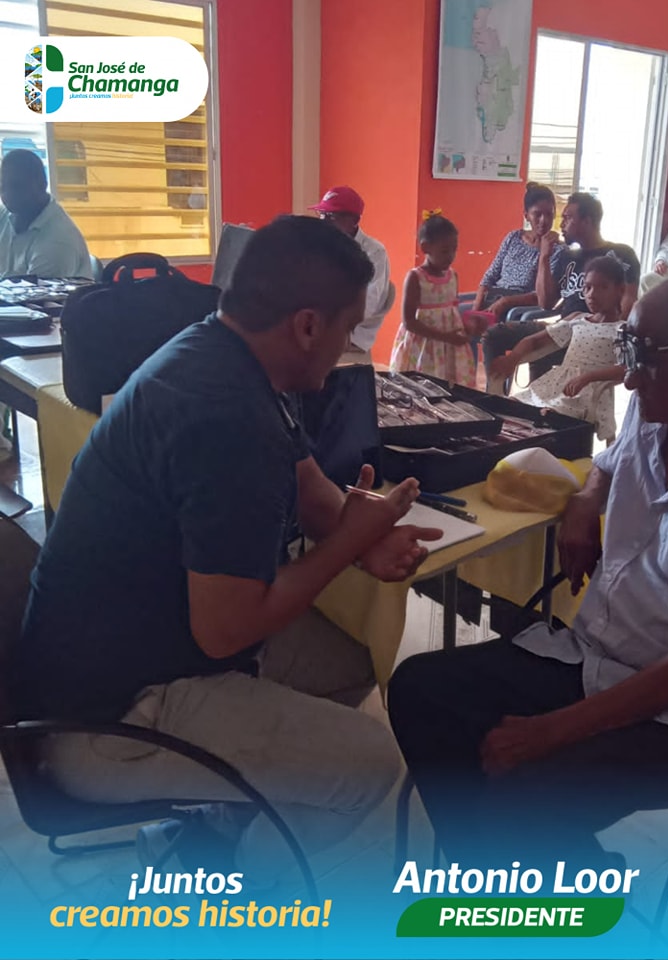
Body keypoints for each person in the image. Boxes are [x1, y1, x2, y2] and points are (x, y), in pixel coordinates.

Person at [10, 216, 444, 874]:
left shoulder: (223, 350)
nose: (352, 346)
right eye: (349, 328)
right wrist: (347, 543)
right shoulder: (227, 421)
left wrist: (361, 533)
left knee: (345, 660)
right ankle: (236, 885)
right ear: (306, 326)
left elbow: (307, 482)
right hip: (105, 719)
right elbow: (226, 631)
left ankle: (213, 829)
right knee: (372, 767)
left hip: (115, 661)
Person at [388, 273, 668, 870]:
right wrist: (585, 501)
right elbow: (608, 464)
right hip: (600, 656)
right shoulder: (657, 410)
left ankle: (544, 877)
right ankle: (533, 875)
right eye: (628, 350)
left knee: (523, 790)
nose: (628, 377)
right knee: (420, 690)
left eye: (644, 357)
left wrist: (549, 732)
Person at [482, 192, 639, 394]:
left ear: (587, 221)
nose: (561, 224)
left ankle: (537, 401)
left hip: (595, 336)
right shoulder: (567, 256)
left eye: (568, 218)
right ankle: (494, 397)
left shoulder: (620, 254)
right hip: (564, 328)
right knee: (494, 335)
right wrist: (544, 257)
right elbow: (546, 302)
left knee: (542, 354)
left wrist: (599, 328)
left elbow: (627, 302)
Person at [489, 256, 626, 442]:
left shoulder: (622, 330)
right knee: (513, 405)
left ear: (620, 290)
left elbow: (626, 369)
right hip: (556, 385)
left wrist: (588, 377)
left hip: (587, 392)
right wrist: (512, 359)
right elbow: (534, 342)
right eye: (587, 287)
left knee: (550, 415)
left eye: (602, 287)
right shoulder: (577, 319)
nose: (592, 294)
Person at [390, 213, 475, 387]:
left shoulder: (453, 276)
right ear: (425, 248)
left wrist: (467, 328)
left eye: (454, 249)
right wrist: (444, 337)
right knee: (422, 386)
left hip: (449, 348)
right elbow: (409, 321)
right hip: (423, 348)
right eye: (444, 251)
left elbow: (452, 312)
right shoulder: (415, 278)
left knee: (451, 387)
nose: (450, 255)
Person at [309, 185, 390, 363]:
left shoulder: (373, 252)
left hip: (353, 332)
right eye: (321, 214)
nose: (324, 222)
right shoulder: (321, 246)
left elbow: (369, 303)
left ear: (354, 220)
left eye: (331, 216)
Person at [472, 182, 567, 320]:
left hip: (518, 310)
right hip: (494, 299)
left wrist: (505, 302)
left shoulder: (558, 250)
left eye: (549, 214)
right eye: (537, 214)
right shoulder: (514, 238)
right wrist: (476, 309)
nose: (543, 220)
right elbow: (490, 276)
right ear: (526, 215)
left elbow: (542, 296)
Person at [0, 149, 92, 280]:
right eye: (2, 187)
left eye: (17, 186)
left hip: (41, 293)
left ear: (42, 185)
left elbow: (35, 293)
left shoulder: (58, 242)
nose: (7, 194)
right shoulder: (8, 213)